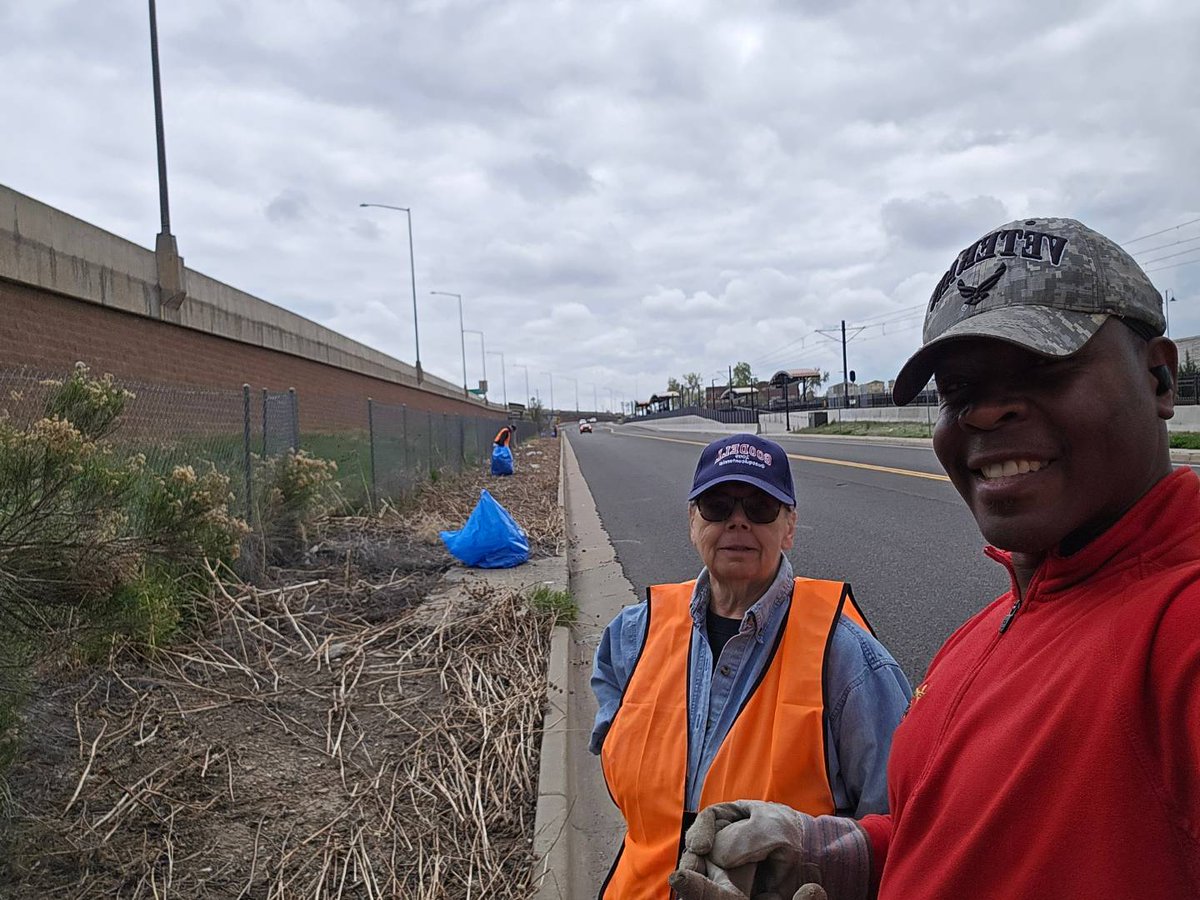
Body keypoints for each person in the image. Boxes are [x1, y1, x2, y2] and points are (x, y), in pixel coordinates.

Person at [671, 217, 1200, 900]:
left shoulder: (1180, 626)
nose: (984, 414)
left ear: (1159, 377)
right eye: (958, 391)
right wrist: (837, 854)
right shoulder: (994, 627)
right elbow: (950, 836)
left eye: (1043, 368)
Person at [591, 433, 912, 899]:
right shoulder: (631, 636)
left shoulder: (848, 658)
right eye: (718, 505)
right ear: (692, 521)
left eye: (760, 507)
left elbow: (898, 830)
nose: (737, 521)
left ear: (789, 526)